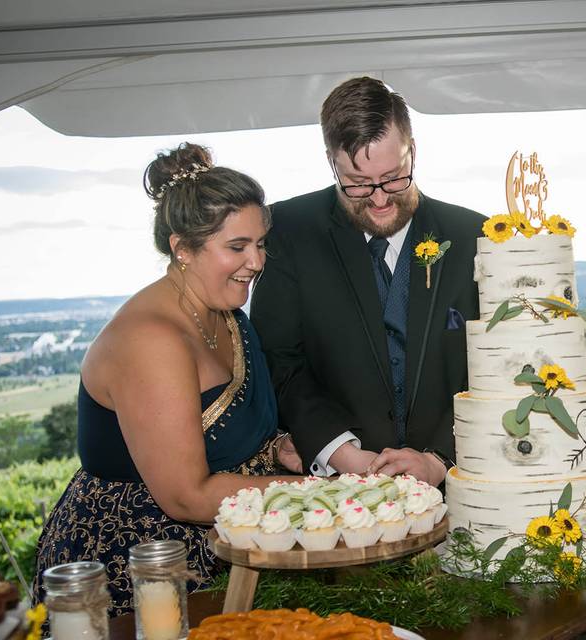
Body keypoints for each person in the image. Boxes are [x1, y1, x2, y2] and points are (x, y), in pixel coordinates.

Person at [34, 143, 302, 616]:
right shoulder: (150, 341)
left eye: (260, 243)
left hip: (230, 540)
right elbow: (186, 495)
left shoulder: (225, 311)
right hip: (142, 564)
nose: (257, 262)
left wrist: (279, 447)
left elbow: (230, 428)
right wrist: (319, 495)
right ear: (183, 249)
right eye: (237, 247)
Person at [251, 77, 485, 487]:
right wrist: (340, 452)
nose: (379, 199)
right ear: (330, 162)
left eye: (394, 177)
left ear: (414, 151)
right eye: (357, 183)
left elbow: (495, 370)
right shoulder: (288, 230)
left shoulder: (474, 236)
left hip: (459, 485)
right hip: (337, 490)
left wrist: (441, 458)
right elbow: (279, 360)